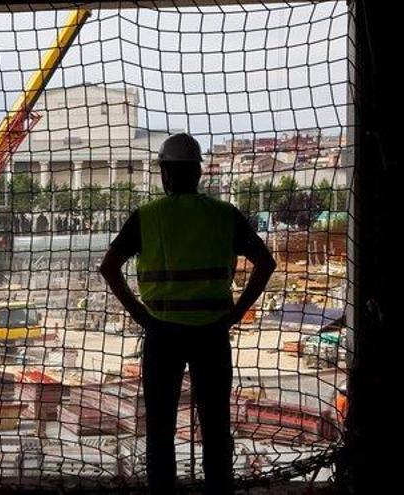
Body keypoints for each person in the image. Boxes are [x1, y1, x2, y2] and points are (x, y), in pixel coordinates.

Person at [99, 133, 276, 494]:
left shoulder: (146, 218)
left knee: (161, 430)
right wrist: (237, 312)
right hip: (212, 334)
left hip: (162, 334)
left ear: (164, 173)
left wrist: (141, 316)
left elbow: (109, 268)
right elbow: (265, 263)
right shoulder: (223, 215)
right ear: (198, 173)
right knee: (215, 427)